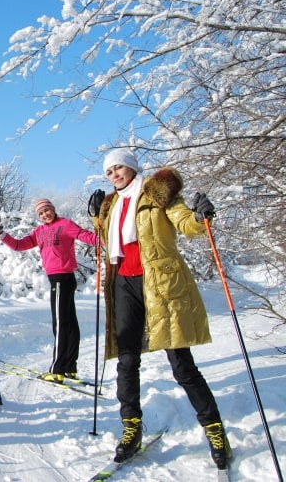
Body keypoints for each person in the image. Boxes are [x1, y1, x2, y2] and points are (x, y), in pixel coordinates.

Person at [88, 148, 231, 468]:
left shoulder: (157, 193)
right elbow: (108, 240)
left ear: (132, 168)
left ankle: (216, 432)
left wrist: (200, 216)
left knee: (181, 364)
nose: (114, 176)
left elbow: (185, 223)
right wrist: (97, 217)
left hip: (160, 285)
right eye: (109, 172)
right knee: (127, 362)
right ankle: (131, 429)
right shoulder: (111, 203)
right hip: (123, 285)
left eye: (119, 169)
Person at [0, 198, 98, 383]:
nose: (44, 215)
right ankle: (69, 367)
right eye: (41, 213)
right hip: (56, 280)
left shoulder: (65, 224)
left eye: (47, 210)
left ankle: (57, 369)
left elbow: (85, 236)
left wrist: (103, 235)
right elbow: (19, 245)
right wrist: (2, 235)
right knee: (69, 322)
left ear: (53, 209)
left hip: (63, 278)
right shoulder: (39, 231)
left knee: (60, 323)